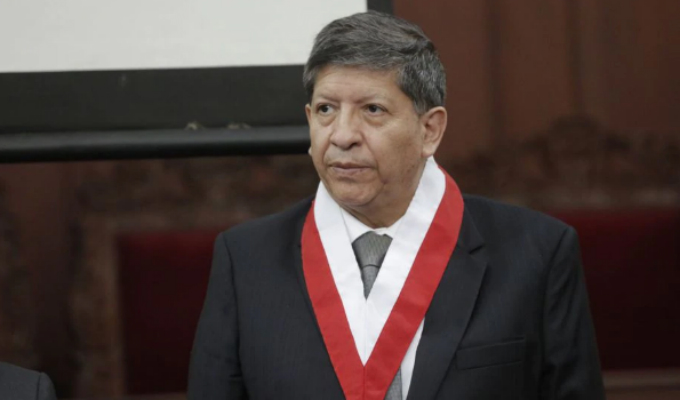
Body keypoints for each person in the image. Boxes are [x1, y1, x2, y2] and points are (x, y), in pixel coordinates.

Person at [188, 11, 604, 400]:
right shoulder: (245, 260)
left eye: (372, 110)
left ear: (430, 129)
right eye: (327, 110)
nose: (342, 135)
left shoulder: (538, 252)